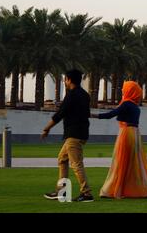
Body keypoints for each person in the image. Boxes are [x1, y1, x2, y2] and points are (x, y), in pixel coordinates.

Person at [91, 81, 147, 199]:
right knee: (136, 163)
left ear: (129, 91)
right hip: (135, 134)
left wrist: (93, 115)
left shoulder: (127, 104)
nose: (123, 92)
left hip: (126, 134)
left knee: (121, 162)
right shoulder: (135, 106)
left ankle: (114, 189)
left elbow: (111, 114)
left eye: (125, 90)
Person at [41, 69, 94, 202]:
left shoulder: (71, 95)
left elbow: (60, 114)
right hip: (82, 133)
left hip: (73, 134)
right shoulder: (85, 95)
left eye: (65, 79)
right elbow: (86, 114)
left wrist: (47, 128)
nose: (65, 81)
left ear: (69, 80)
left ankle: (87, 193)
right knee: (62, 159)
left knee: (76, 164)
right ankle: (62, 191)